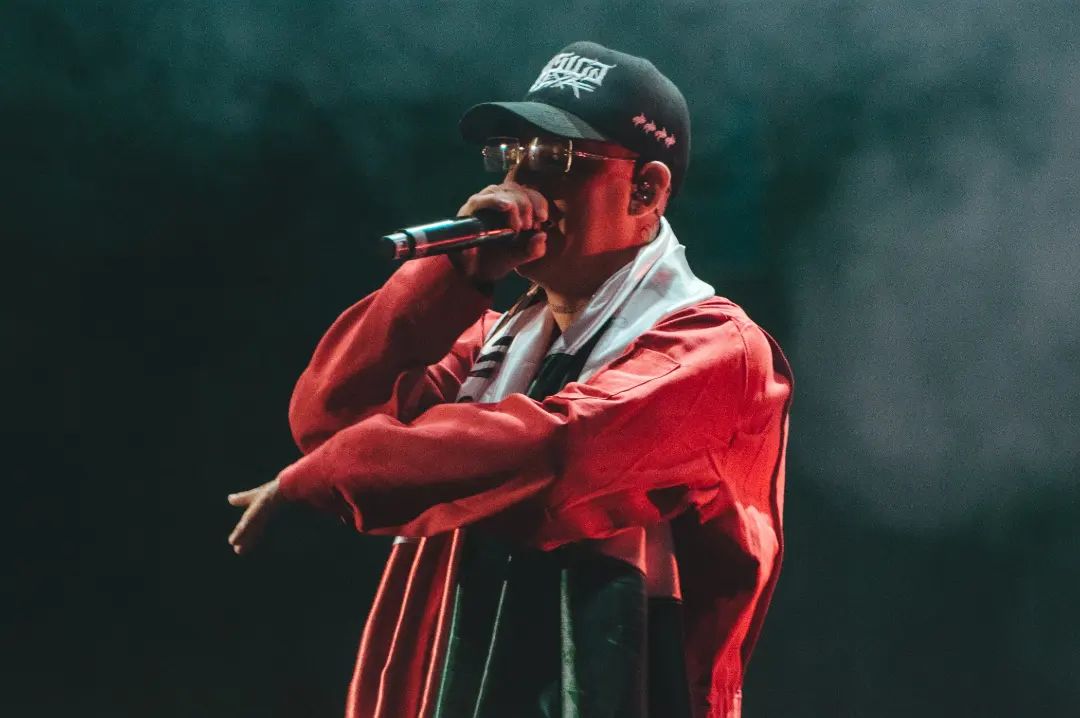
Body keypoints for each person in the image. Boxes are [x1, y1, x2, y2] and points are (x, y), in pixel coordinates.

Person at [227, 41, 793, 718]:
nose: (519, 182)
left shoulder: (717, 353)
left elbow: (558, 456)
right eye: (511, 153)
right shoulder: (491, 343)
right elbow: (332, 417)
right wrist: (454, 272)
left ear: (645, 189)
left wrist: (324, 475)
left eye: (556, 157)